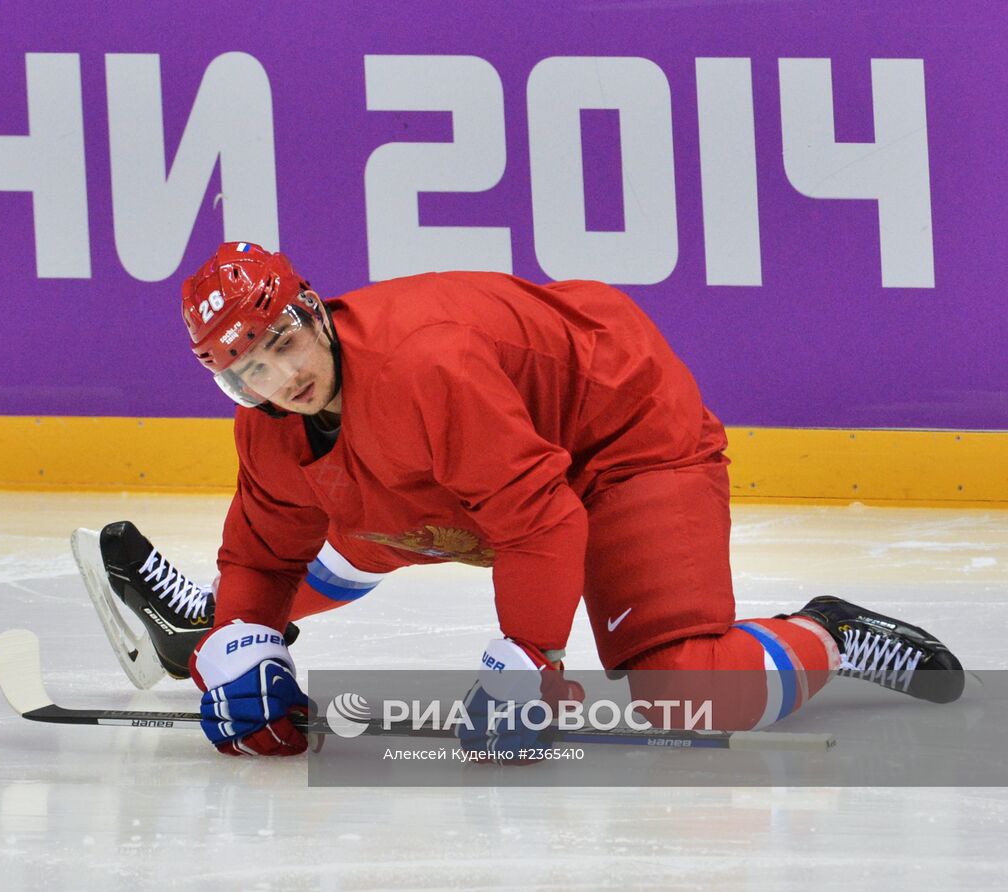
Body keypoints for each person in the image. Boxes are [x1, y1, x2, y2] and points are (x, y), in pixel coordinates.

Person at [93, 241, 964, 757]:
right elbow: (263, 548)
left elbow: (544, 520)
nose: (283, 380)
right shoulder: (276, 425)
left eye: (283, 344)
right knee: (366, 506)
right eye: (250, 374)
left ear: (313, 312)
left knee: (688, 697)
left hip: (618, 429)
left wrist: (527, 665)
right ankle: (203, 633)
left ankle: (830, 632)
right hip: (492, 443)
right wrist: (243, 632)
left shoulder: (425, 371)